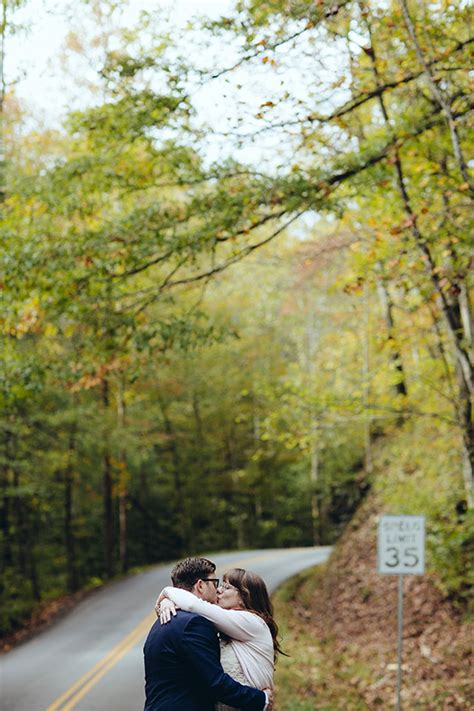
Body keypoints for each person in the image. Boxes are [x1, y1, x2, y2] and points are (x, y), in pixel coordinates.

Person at [143, 557, 272, 711]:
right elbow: (215, 682)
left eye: (225, 586)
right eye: (216, 583)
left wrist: (167, 595)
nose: (218, 590)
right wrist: (261, 700)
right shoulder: (194, 624)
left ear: (245, 596)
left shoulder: (161, 623)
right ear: (200, 585)